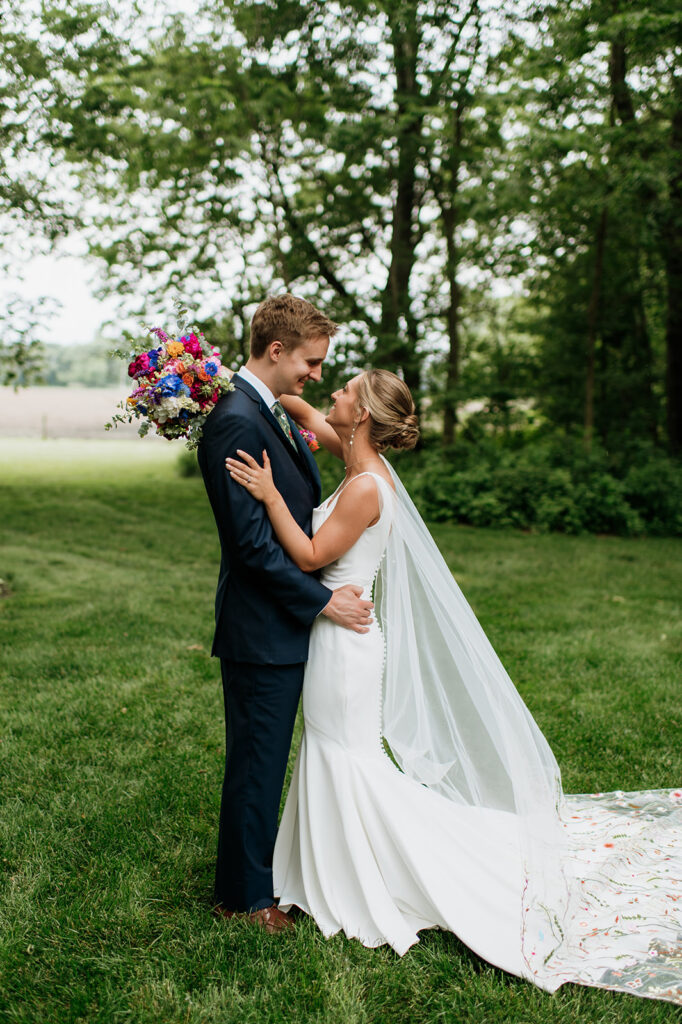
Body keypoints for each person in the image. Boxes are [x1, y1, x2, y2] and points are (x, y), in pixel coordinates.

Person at [226, 368, 682, 1006]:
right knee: (334, 751)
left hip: (344, 641)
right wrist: (236, 381)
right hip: (339, 635)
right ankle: (319, 869)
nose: (332, 393)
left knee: (344, 756)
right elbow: (303, 409)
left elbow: (306, 556)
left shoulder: (364, 488)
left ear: (359, 417)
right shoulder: (361, 457)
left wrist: (272, 493)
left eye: (344, 391)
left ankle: (360, 876)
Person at [197, 294, 374, 935]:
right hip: (259, 627)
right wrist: (323, 600)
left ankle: (259, 879)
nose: (317, 376)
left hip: (279, 625)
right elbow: (250, 551)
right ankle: (242, 900)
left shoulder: (262, 408)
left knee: (265, 759)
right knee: (257, 762)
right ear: (277, 351)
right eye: (311, 362)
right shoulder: (236, 422)